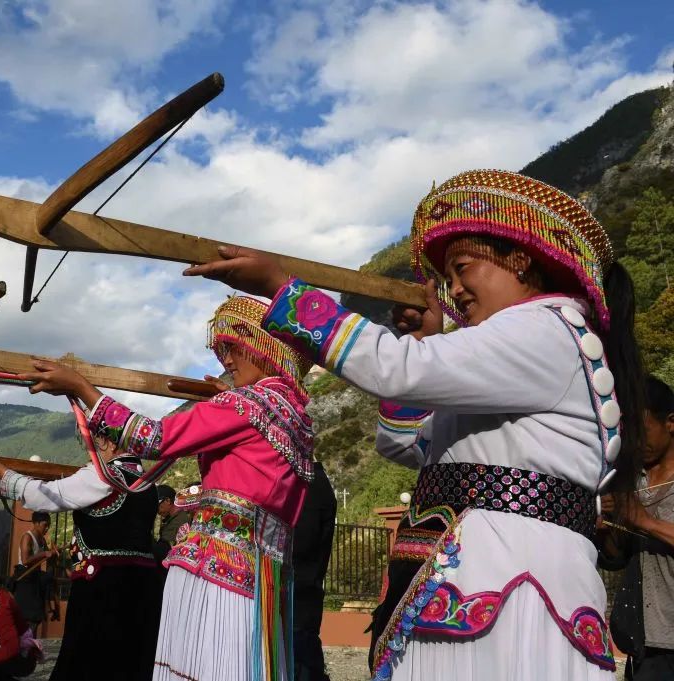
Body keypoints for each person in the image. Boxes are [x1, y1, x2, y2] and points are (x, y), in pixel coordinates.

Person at [184, 169, 645, 681]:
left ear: (520, 258)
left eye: (462, 267)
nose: (454, 289)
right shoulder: (525, 345)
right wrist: (428, 345)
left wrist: (281, 290)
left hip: (511, 577)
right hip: (479, 570)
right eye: (448, 277)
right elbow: (405, 444)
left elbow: (398, 368)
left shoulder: (544, 327)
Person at [13, 295, 315, 681]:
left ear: (263, 348)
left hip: (219, 572)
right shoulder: (295, 416)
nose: (226, 361)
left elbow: (153, 438)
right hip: (263, 573)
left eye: (232, 348)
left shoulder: (247, 405)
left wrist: (83, 389)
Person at [0, 437, 163, 681]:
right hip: (142, 586)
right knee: (129, 661)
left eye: (95, 445)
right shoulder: (148, 482)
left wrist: (0, 471)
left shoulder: (102, 475)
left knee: (89, 661)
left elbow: (47, 496)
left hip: (103, 588)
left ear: (111, 444)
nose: (91, 453)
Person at [600, 376, 674, 679]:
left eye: (643, 431)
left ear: (671, 422)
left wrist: (645, 520)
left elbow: (645, 523)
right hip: (646, 642)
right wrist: (609, 526)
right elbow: (616, 558)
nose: (636, 443)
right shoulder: (632, 480)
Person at [292, 460, 336, 681]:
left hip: (300, 594)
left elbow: (302, 548)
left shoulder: (308, 485)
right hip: (305, 594)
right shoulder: (314, 483)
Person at [12, 511, 57, 635]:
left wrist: (53, 554)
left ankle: (30, 646)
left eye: (48, 525)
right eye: (44, 525)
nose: (47, 528)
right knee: (26, 617)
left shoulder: (42, 540)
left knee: (36, 617)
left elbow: (48, 559)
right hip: (25, 579)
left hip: (35, 579)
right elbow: (26, 561)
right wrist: (44, 554)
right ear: (36, 523)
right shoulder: (27, 537)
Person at [153, 485, 192, 564]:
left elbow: (165, 549)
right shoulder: (172, 519)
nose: (156, 508)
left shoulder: (180, 520)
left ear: (168, 501)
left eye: (157, 504)